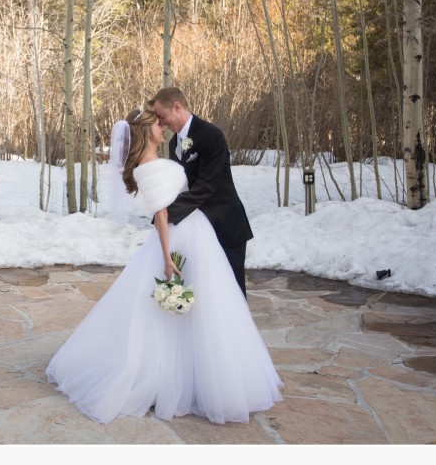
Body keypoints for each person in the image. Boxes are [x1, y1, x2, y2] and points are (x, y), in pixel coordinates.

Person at [45, 108, 282, 425]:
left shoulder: (162, 158)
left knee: (205, 310)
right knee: (176, 313)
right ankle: (168, 380)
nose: (163, 127)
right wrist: (168, 258)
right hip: (179, 239)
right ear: (145, 132)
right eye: (158, 125)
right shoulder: (148, 168)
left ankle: (199, 376)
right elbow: (161, 215)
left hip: (196, 234)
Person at [148, 87, 253, 297]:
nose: (162, 123)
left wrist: (168, 212)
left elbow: (206, 186)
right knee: (209, 295)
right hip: (198, 231)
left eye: (162, 116)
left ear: (177, 107)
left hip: (225, 226)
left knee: (233, 294)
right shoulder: (173, 143)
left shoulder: (211, 135)